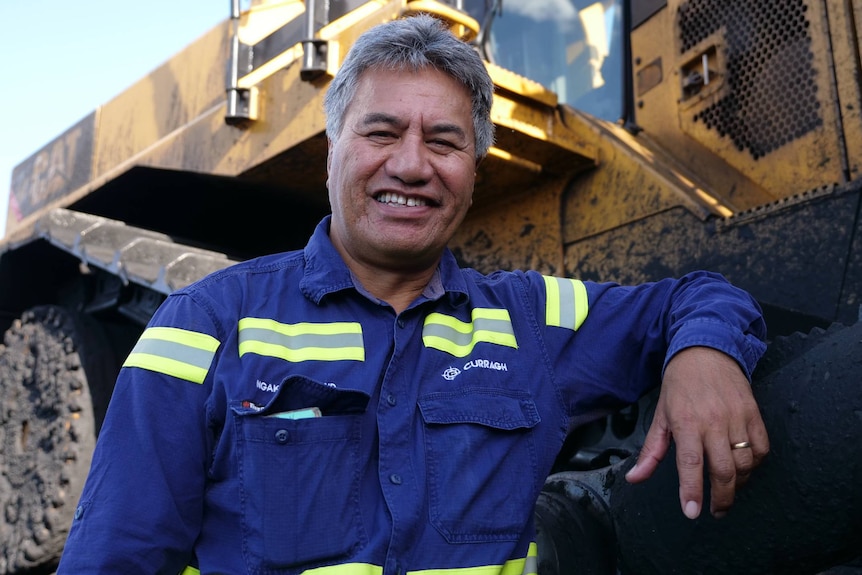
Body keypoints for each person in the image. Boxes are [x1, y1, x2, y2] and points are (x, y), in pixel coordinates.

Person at [57, 14, 769, 574]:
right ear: (334, 147)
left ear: (473, 168)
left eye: (445, 141)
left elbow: (693, 298)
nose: (411, 164)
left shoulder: (529, 321)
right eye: (382, 131)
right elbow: (118, 553)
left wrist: (704, 351)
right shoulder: (207, 321)